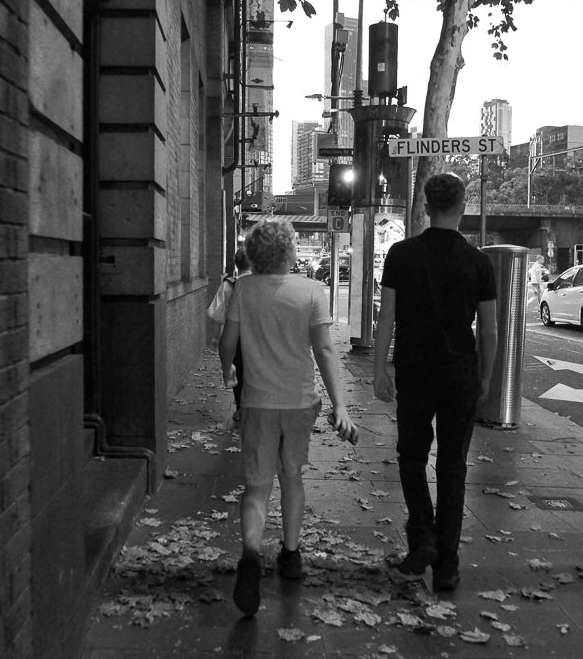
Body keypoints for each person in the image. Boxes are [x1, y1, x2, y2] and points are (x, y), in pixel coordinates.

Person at [219, 218, 357, 616]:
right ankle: (291, 556)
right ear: (291, 252)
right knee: (292, 476)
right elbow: (325, 351)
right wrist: (340, 404)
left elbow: (226, 341)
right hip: (299, 402)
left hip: (257, 402)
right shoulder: (312, 291)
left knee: (257, 486)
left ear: (255, 253)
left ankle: (249, 556)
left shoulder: (243, 289)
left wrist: (228, 370)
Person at [373, 173, 497, 592]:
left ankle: (422, 537)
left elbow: (386, 317)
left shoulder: (401, 255)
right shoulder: (478, 262)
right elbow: (490, 330)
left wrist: (378, 371)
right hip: (460, 374)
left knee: (411, 457)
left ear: (425, 208)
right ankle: (447, 566)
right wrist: (484, 376)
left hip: (414, 372)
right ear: (463, 208)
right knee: (453, 468)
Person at [207, 248, 251, 419]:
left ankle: (240, 408)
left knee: (237, 370)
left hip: (234, 337)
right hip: (256, 335)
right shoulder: (259, 283)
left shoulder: (228, 284)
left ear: (236, 265)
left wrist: (216, 336)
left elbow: (218, 314)